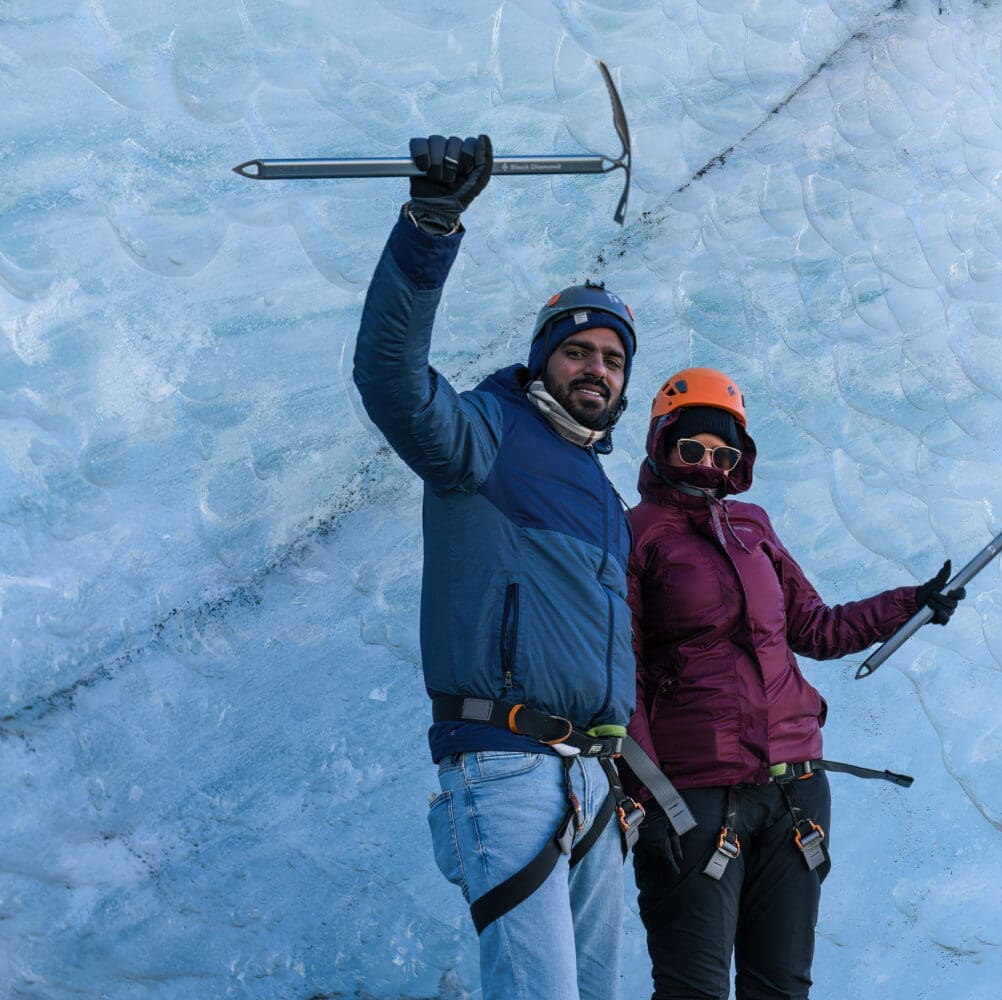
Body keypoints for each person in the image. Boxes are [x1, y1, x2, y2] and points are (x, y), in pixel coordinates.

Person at [352, 134, 639, 1000]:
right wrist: (430, 226)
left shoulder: (602, 493)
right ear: (543, 356)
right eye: (579, 350)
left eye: (614, 359)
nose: (597, 369)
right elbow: (391, 380)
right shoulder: (490, 431)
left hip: (592, 781)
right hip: (506, 762)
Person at [625, 367, 965, 999]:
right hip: (693, 798)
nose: (707, 465)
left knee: (781, 988)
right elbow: (626, 672)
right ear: (661, 442)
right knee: (692, 991)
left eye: (724, 454)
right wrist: (649, 799)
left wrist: (911, 604)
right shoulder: (635, 534)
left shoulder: (752, 526)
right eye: (692, 449)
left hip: (795, 794)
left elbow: (816, 628)